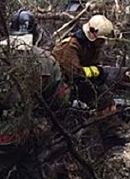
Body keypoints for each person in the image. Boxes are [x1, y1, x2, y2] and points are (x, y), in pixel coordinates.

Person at [0, 10, 68, 179]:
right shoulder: (47, 60)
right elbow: (59, 100)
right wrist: (52, 128)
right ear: (35, 32)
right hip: (37, 133)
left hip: (5, 135)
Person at [51, 14, 125, 147]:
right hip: (60, 86)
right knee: (62, 110)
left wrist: (97, 75)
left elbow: (92, 66)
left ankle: (111, 133)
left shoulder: (92, 46)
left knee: (105, 96)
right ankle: (59, 140)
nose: (103, 44)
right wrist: (96, 72)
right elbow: (74, 73)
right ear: (92, 35)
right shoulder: (69, 46)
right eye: (101, 40)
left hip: (81, 83)